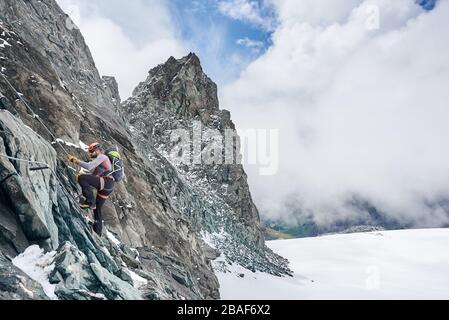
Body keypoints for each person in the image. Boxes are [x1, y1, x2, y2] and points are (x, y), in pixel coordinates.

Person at [68, 143, 115, 236]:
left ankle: (90, 201)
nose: (90, 153)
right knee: (97, 209)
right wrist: (82, 177)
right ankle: (98, 232)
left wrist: (75, 161)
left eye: (91, 151)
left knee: (82, 178)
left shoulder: (102, 156)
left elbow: (89, 166)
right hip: (109, 186)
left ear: (97, 149)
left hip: (106, 182)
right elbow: (93, 177)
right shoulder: (100, 163)